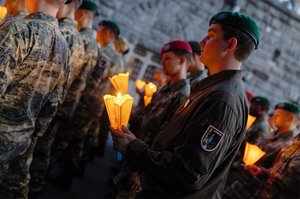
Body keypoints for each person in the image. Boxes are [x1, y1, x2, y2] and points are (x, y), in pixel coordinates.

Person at [111, 11, 260, 198]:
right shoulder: (214, 89)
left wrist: (133, 147)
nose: (202, 41)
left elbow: (187, 172)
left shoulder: (222, 100)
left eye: (212, 35)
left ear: (230, 44)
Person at [0, 0, 69, 198]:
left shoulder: (17, 29)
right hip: (21, 142)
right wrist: (31, 137)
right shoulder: (64, 47)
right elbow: (53, 104)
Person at [29, 0, 84, 196]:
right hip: (55, 108)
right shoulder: (76, 38)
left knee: (41, 150)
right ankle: (35, 186)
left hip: (35, 111)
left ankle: (35, 185)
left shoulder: (62, 33)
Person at [48, 0, 101, 191]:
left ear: (80, 14)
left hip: (61, 101)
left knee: (46, 147)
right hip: (74, 102)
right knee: (55, 145)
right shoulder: (93, 44)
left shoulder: (75, 37)